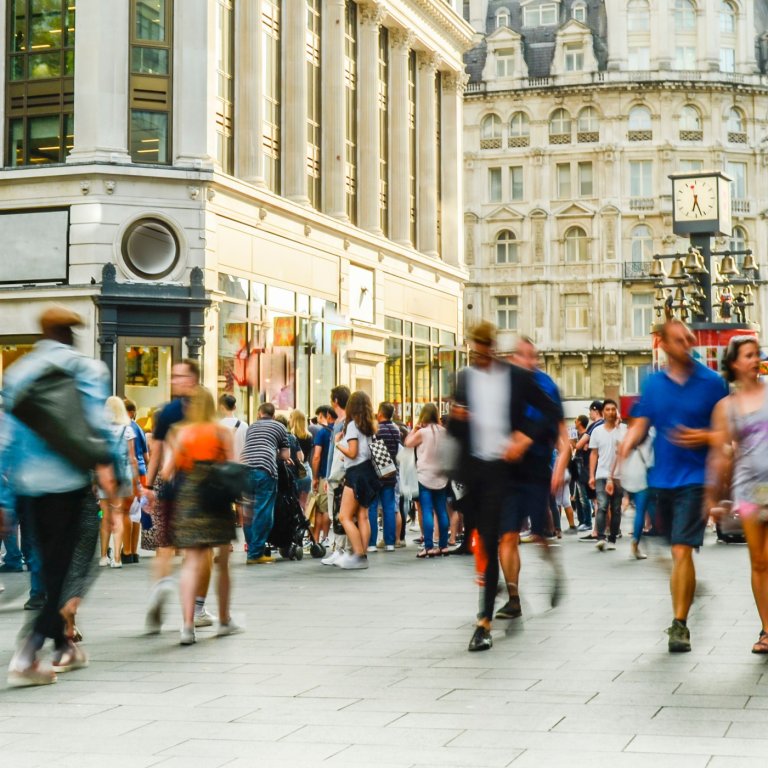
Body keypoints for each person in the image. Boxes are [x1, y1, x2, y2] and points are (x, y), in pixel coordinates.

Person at [0, 307, 114, 686]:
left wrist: (4, 499)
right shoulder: (86, 369)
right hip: (69, 485)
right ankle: (29, 651)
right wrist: (116, 472)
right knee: (73, 570)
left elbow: (6, 439)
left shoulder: (17, 372)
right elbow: (98, 426)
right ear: (70, 333)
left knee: (46, 570)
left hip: (27, 488)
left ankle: (63, 645)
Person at [449, 322, 563, 652]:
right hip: (475, 473)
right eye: (475, 346)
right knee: (483, 543)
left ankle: (484, 621)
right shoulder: (465, 378)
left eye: (485, 346)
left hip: (506, 470)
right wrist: (457, 419)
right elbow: (455, 428)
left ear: (493, 346)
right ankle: (502, 596)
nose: (479, 351)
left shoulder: (514, 377)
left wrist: (523, 437)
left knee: (497, 538)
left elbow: (550, 411)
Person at [619, 319, 727, 653]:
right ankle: (687, 591)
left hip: (695, 480)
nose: (687, 344)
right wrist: (628, 442)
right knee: (666, 549)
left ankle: (679, 624)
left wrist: (706, 437)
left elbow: (728, 433)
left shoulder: (712, 383)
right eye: (678, 340)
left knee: (682, 549)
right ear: (663, 344)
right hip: (660, 480)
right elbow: (642, 421)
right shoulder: (653, 384)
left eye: (689, 339)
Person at [162, 386, 240, 644]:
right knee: (223, 562)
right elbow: (232, 466)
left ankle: (187, 626)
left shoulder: (179, 433)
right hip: (215, 495)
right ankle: (225, 620)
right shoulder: (222, 432)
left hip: (189, 496)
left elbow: (166, 472)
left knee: (192, 562)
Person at [706, 336, 768, 653]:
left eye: (756, 354)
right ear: (733, 363)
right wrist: (713, 498)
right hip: (748, 491)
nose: (754, 359)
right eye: (747, 355)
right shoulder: (726, 407)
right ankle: (767, 630)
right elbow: (720, 454)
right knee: (759, 562)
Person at [143, 360, 214, 633]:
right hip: (201, 487)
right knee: (201, 550)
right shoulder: (206, 412)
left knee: (165, 545)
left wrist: (148, 486)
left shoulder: (167, 412)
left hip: (170, 485)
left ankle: (160, 586)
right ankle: (197, 608)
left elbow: (157, 453)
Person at [332, 391, 381, 569]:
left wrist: (338, 444)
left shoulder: (353, 425)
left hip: (356, 474)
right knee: (363, 515)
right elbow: (361, 453)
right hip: (369, 472)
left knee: (344, 516)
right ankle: (363, 554)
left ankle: (358, 555)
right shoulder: (369, 426)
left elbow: (352, 452)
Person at [241, 402, 290, 564]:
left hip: (245, 469)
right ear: (274, 415)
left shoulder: (251, 427)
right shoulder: (279, 427)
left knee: (248, 512)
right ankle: (255, 553)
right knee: (263, 511)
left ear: (258, 413)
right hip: (265, 470)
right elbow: (285, 454)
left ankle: (252, 549)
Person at [405, 403, 450, 557]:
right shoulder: (444, 431)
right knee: (442, 511)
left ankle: (429, 546)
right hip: (442, 476)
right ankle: (443, 546)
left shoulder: (422, 433)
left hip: (424, 476)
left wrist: (413, 430)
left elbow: (407, 443)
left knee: (427, 511)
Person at [98, 397, 138, 568]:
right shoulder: (127, 430)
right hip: (122, 476)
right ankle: (117, 558)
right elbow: (132, 458)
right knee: (119, 515)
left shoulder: (100, 431)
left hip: (104, 476)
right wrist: (136, 480)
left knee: (105, 516)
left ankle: (102, 556)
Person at [588, 398, 626, 551]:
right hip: (601, 474)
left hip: (619, 476)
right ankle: (601, 537)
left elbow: (624, 449)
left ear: (616, 412)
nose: (610, 412)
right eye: (607, 409)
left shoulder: (623, 429)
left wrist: (618, 428)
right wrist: (591, 474)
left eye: (613, 409)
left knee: (616, 508)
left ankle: (612, 538)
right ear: (603, 412)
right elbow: (593, 454)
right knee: (602, 505)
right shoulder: (597, 431)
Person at [368, 401, 402, 552]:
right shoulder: (396, 430)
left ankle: (371, 543)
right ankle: (390, 542)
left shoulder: (376, 429)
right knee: (389, 508)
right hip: (390, 473)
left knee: (372, 508)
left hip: (375, 474)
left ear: (380, 413)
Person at [124, 399, 149, 563]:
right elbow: (146, 456)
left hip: (128, 471)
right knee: (136, 513)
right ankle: (134, 551)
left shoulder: (126, 428)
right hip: (141, 471)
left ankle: (126, 551)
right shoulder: (138, 428)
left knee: (125, 512)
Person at [311, 405, 334, 545]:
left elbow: (316, 457)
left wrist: (315, 477)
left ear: (323, 415)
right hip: (336, 474)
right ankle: (324, 537)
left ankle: (321, 538)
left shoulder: (322, 433)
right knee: (328, 507)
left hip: (323, 475)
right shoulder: (338, 429)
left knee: (321, 508)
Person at [289, 409, 314, 510]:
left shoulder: (290, 436)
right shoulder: (309, 436)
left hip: (293, 470)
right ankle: (303, 524)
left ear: (294, 420)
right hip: (306, 470)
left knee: (293, 504)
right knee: (304, 504)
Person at [218, 394, 249, 460]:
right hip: (240, 464)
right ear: (234, 407)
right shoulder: (244, 425)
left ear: (221, 407)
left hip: (224, 465)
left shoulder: (218, 425)